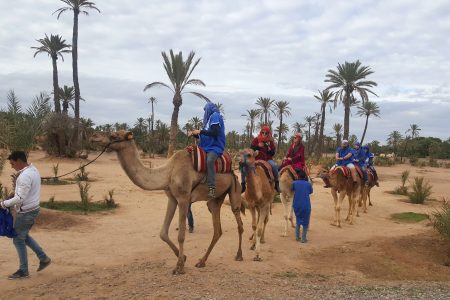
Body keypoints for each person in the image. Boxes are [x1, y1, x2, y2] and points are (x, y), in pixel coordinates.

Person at [0, 151, 51, 279]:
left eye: (12, 163)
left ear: (19, 161)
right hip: (32, 209)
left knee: (18, 239)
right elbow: (21, 194)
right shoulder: (33, 170)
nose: (12, 166)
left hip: (26, 212)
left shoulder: (24, 176)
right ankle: (44, 258)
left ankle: (23, 271)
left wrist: (3, 204)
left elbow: (20, 198)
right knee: (23, 236)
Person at [189, 102, 225, 199]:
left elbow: (214, 132)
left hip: (215, 147)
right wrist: (194, 134)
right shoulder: (208, 121)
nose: (205, 112)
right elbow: (205, 134)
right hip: (205, 146)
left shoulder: (215, 116)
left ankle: (212, 187)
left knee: (209, 160)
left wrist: (200, 131)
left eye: (206, 110)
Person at [241, 126, 280, 193]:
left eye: (266, 133)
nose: (264, 134)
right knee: (244, 167)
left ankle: (277, 184)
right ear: (261, 132)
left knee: (274, 166)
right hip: (256, 159)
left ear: (268, 133)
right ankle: (243, 184)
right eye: (263, 132)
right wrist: (258, 146)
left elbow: (272, 153)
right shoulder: (256, 140)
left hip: (267, 159)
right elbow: (251, 149)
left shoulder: (270, 142)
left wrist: (269, 150)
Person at [291, 169, 313, 243]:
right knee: (305, 223)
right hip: (306, 205)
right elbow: (310, 192)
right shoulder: (308, 184)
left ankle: (297, 237)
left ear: (298, 176)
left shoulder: (294, 183)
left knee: (298, 221)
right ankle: (303, 238)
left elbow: (292, 190)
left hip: (296, 205)